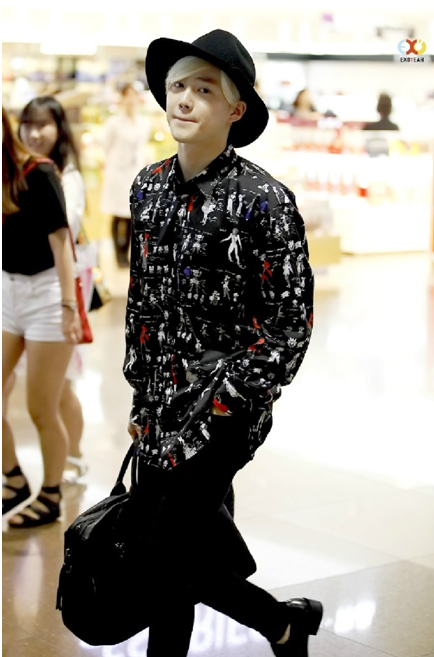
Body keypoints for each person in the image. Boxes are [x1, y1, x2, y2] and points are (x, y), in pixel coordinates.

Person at [124, 30, 322, 656]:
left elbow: (290, 325)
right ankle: (285, 625)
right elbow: (142, 302)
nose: (184, 99)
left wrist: (228, 401)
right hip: (161, 406)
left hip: (223, 413)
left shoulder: (265, 202)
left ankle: (282, 623)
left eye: (204, 89)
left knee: (166, 546)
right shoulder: (148, 187)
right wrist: (142, 395)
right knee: (184, 553)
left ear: (236, 109)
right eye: (177, 86)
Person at [2, 107, 80, 528]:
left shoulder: (40, 172)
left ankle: (50, 495)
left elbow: (62, 244)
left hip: (46, 295)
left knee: (41, 408)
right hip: (8, 291)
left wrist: (69, 307)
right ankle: (13, 479)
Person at [17, 96, 89, 483]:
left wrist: (68, 306)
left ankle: (73, 456)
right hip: (21, 291)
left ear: (59, 129)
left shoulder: (65, 176)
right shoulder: (19, 170)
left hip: (61, 288)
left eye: (43, 124)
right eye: (28, 124)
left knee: (62, 386)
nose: (34, 133)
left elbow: (65, 234)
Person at [99, 83, 149, 268]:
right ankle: (118, 254)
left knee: (131, 214)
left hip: (134, 172)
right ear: (121, 99)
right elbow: (106, 146)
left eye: (133, 96)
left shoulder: (143, 122)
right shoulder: (113, 122)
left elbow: (142, 147)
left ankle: (126, 251)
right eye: (127, 96)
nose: (130, 100)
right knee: (117, 214)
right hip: (117, 172)